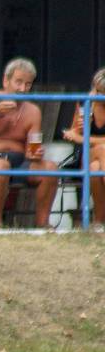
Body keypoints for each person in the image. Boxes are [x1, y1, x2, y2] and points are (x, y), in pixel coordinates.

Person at [0, 57, 58, 228]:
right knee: (1, 166)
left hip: (18, 162)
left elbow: (33, 144)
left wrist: (35, 152)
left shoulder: (33, 111)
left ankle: (43, 225)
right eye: (18, 82)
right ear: (5, 80)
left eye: (28, 84)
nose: (22, 88)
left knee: (50, 168)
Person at [62, 67, 105, 232]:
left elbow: (81, 139)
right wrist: (79, 130)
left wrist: (84, 138)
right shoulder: (85, 102)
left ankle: (99, 220)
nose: (96, 95)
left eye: (101, 93)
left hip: (95, 162)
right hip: (86, 155)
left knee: (95, 168)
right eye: (95, 89)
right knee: (101, 150)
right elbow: (72, 134)